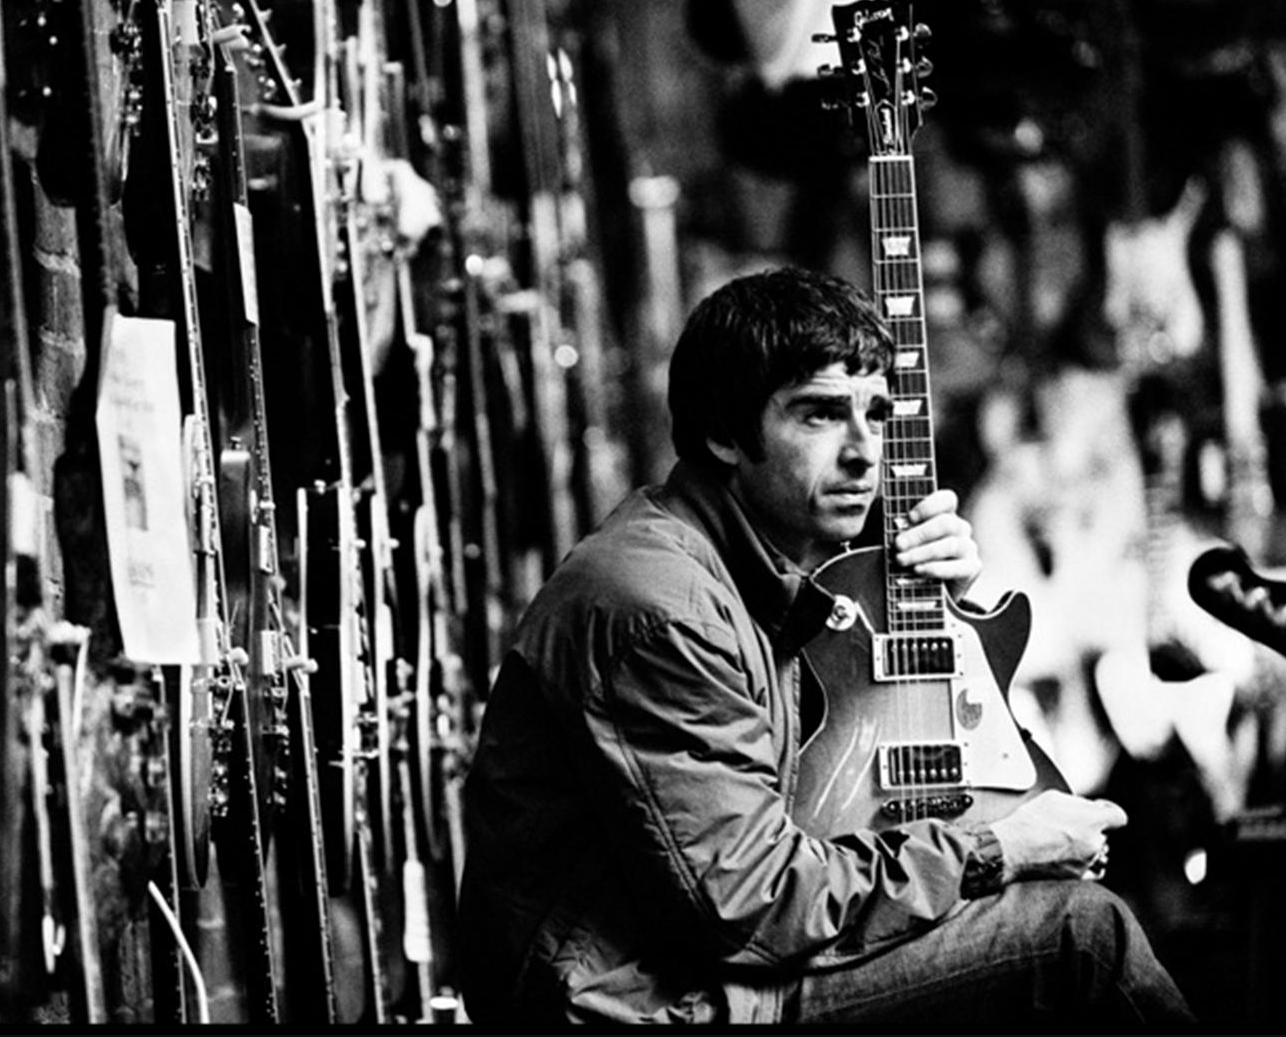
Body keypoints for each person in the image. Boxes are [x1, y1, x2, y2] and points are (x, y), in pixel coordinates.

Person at [455, 267, 1194, 1027]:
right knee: (1080, 936)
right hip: (648, 1005)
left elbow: (821, 817)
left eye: (875, 414)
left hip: (692, 978)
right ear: (722, 433)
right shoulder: (659, 605)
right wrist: (995, 850)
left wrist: (950, 618)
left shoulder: (739, 570)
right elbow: (754, 904)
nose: (863, 452)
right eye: (817, 415)